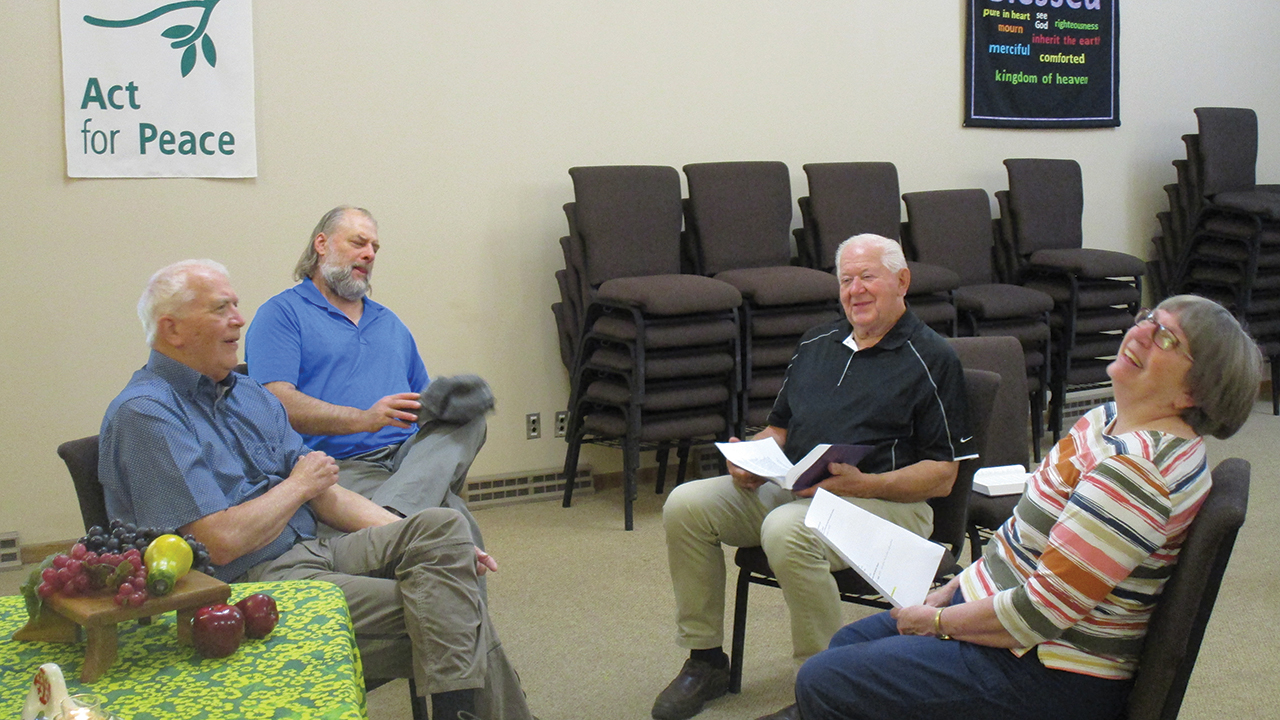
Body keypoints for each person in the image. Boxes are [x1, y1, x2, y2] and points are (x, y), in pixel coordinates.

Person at [762, 295, 1262, 720]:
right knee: (845, 651)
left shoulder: (1136, 474)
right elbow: (1023, 537)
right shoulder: (1107, 420)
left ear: (1196, 391)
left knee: (827, 681)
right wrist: (955, 588)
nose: (1142, 333)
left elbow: (1040, 613)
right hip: (1017, 627)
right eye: (1148, 319)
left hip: (1052, 669)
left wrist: (934, 622)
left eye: (1167, 339)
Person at [99, 259, 532, 720]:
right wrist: (297, 486)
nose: (238, 319)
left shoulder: (246, 393)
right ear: (173, 329)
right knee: (456, 608)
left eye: (236, 306)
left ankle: (457, 706)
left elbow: (325, 493)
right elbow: (217, 543)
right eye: (221, 309)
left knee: (445, 528)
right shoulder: (148, 414)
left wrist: (410, 538)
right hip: (247, 584)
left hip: (310, 549)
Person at [652, 234, 977, 720]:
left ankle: (825, 688)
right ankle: (706, 660)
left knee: (787, 531)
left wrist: (862, 484)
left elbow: (942, 476)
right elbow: (779, 429)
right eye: (846, 280)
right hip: (801, 489)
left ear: (902, 281)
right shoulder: (817, 343)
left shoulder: (933, 359)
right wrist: (752, 458)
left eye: (868, 277)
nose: (855, 291)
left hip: (888, 506)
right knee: (686, 504)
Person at [244, 206, 487, 546]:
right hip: (341, 466)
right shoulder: (282, 314)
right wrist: (364, 419)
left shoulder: (389, 322)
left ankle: (393, 517)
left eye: (374, 248)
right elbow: (274, 404)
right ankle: (402, 519)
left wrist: (450, 400)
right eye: (358, 242)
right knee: (454, 523)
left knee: (471, 420)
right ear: (322, 244)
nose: (369, 254)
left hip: (408, 456)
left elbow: (422, 401)